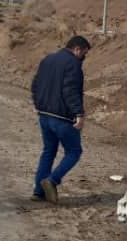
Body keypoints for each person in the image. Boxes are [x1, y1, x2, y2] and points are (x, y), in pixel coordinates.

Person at [31, 35, 90, 204]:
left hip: (44, 115)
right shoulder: (73, 64)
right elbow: (70, 91)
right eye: (84, 53)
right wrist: (79, 114)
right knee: (74, 152)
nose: (84, 57)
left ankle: (38, 192)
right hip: (63, 118)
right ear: (77, 49)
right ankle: (52, 180)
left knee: (48, 151)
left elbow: (35, 84)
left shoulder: (48, 59)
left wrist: (38, 104)